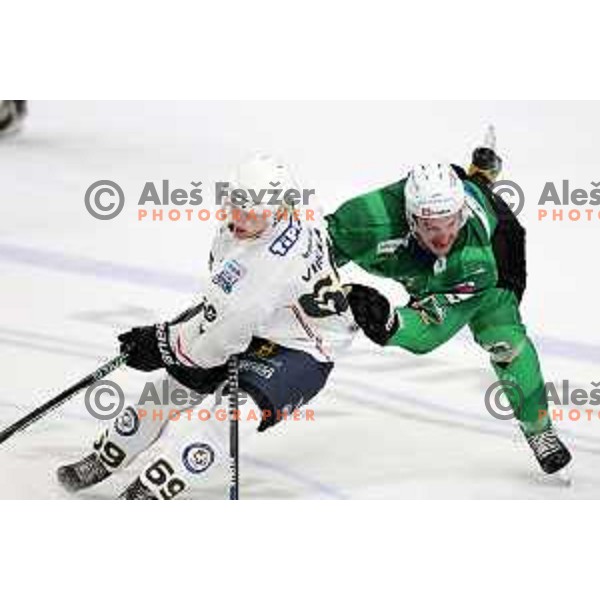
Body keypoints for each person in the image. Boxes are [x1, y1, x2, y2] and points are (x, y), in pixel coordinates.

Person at [57, 154, 355, 499]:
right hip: (258, 317)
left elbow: (216, 345)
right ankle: (105, 456)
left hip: (303, 346)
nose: (240, 218)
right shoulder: (290, 210)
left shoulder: (263, 266)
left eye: (254, 212)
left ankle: (150, 489)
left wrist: (161, 344)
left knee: (235, 414)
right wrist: (170, 338)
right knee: (169, 390)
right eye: (236, 203)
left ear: (279, 213)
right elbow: (226, 312)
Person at [325, 128, 571, 475]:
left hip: (495, 250)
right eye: (430, 225)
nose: (443, 235)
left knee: (502, 341)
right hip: (425, 243)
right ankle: (479, 176)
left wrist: (389, 324)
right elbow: (308, 254)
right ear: (410, 217)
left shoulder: (476, 260)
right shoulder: (369, 219)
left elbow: (429, 329)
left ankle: (539, 428)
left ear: (462, 214)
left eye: (451, 222)